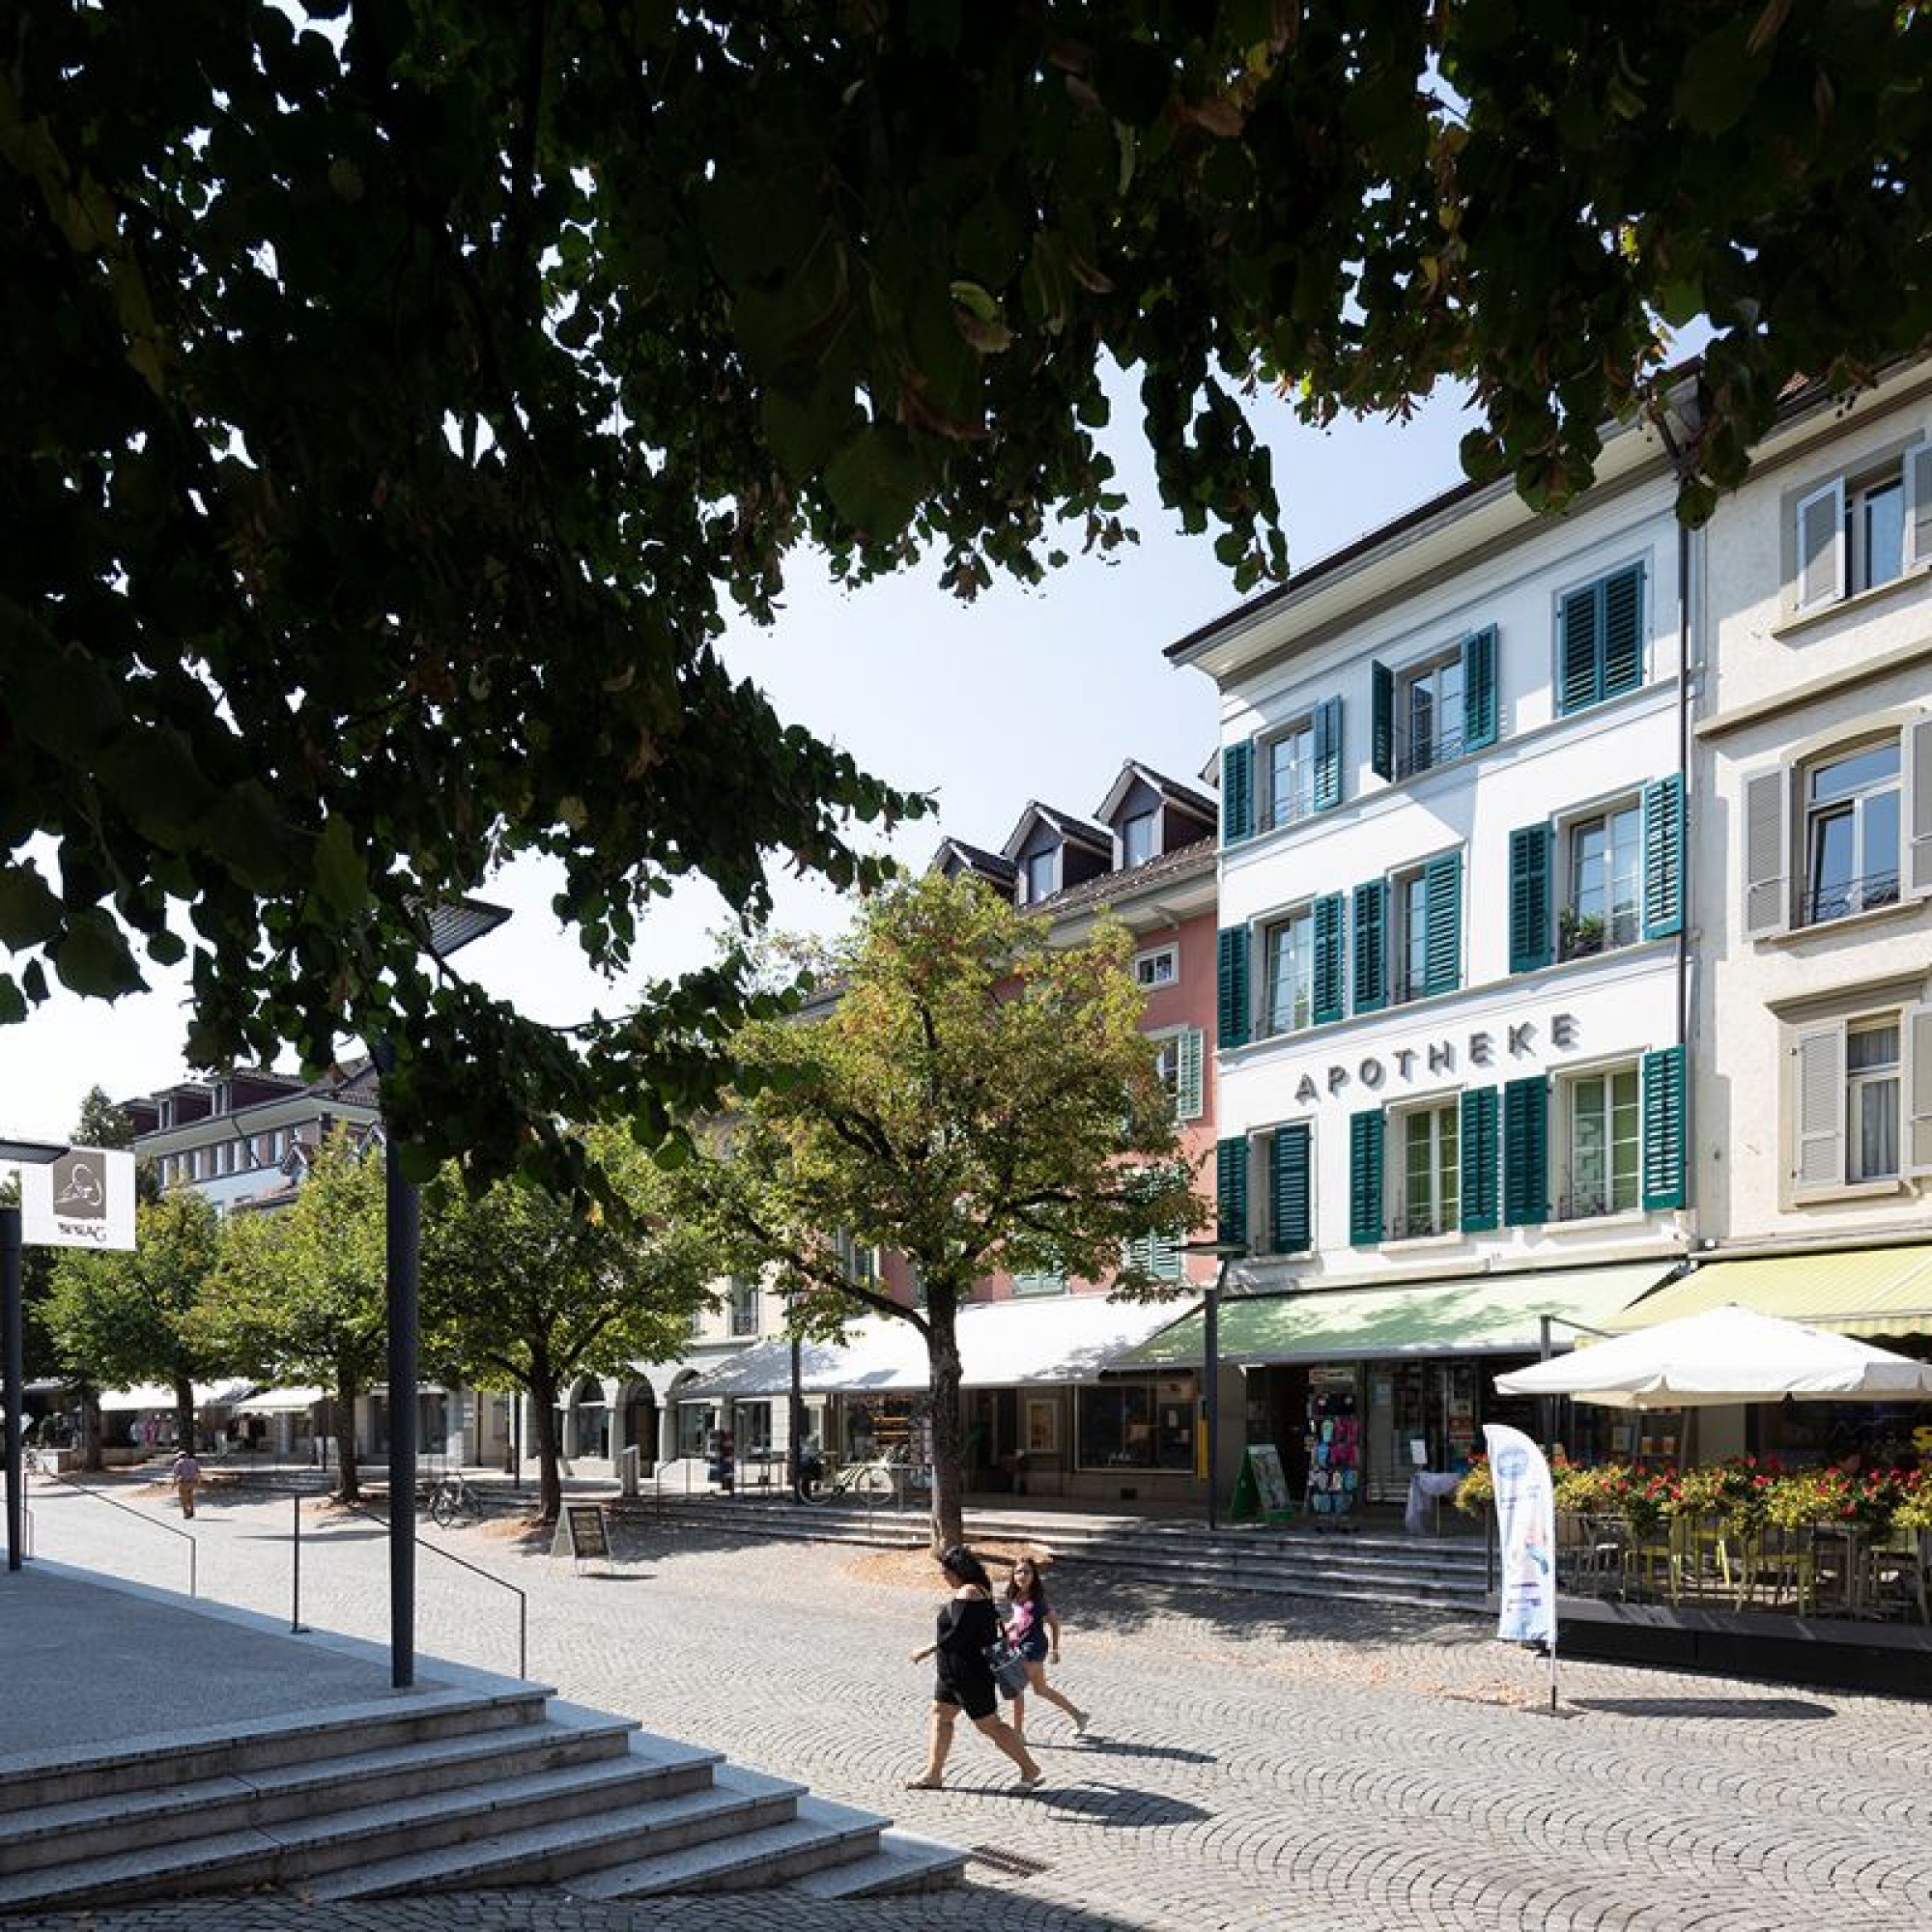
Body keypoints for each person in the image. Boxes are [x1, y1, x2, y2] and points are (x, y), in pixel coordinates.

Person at [905, 1545, 1045, 1793]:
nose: (943, 1576)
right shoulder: (981, 1589)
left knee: (989, 1725)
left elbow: (957, 1635)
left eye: (945, 1571)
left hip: (969, 1673)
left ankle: (1029, 1768)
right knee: (940, 1714)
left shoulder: (968, 1593)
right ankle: (933, 1774)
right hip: (954, 1672)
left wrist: (926, 1649)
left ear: (958, 1571)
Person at [1002, 1557, 1089, 1739]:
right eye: (1019, 1571)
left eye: (1027, 1572)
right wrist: (1008, 1626)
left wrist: (1055, 1650)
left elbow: (1055, 1624)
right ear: (1013, 1575)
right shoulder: (1015, 1597)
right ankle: (1079, 1716)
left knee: (1015, 1687)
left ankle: (1018, 1734)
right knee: (1041, 1690)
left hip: (1033, 1648)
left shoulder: (1038, 1601)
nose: (1022, 1575)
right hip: (1020, 1645)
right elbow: (1018, 1620)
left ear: (1034, 1576)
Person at [171, 1445, 202, 1520]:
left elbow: (175, 1474)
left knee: (183, 1499)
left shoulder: (178, 1463)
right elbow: (198, 1473)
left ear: (179, 1456)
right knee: (190, 1497)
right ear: (186, 1455)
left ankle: (186, 1513)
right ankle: (192, 1511)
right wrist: (198, 1481)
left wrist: (174, 1483)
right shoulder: (193, 1461)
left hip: (183, 1482)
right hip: (192, 1482)